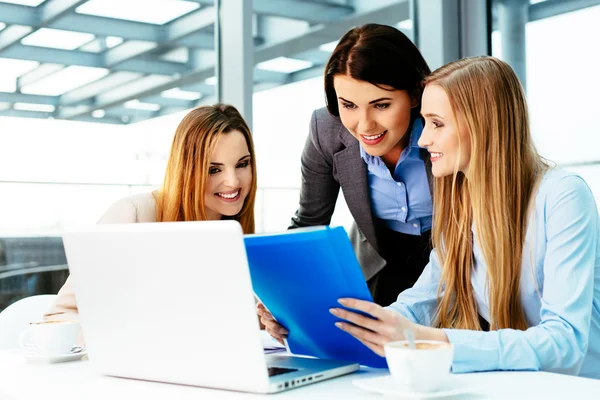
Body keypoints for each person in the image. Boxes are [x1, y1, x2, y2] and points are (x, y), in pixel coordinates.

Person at [328, 56, 600, 378]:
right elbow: (422, 301)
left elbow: (563, 344)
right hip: (520, 386)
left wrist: (435, 341)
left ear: (483, 125)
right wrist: (345, 328)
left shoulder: (562, 196)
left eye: (437, 123)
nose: (423, 140)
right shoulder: (461, 205)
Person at [257, 23, 433, 342]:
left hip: (454, 263)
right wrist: (281, 297)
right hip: (379, 268)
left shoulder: (443, 128)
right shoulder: (326, 130)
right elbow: (309, 222)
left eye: (381, 105)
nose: (364, 125)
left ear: (415, 94)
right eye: (348, 105)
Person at [44, 104, 258, 322]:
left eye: (242, 164)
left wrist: (266, 322)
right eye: (214, 169)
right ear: (187, 170)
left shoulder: (234, 233)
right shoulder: (133, 216)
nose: (233, 182)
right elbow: (59, 315)